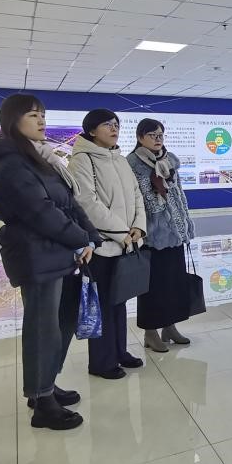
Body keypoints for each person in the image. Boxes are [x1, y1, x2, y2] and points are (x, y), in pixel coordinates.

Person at [0, 94, 98, 430]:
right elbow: (41, 212)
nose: (41, 120)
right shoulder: (10, 165)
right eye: (33, 115)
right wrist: (79, 239)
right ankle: (42, 402)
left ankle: (46, 384)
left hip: (60, 251)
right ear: (12, 120)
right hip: (35, 254)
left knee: (62, 321)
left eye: (42, 114)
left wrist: (89, 237)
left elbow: (70, 204)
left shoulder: (41, 158)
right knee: (43, 327)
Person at [69, 109, 147, 378]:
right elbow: (87, 203)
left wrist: (138, 227)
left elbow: (136, 195)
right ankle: (102, 362)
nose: (114, 129)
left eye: (116, 124)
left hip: (125, 242)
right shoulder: (82, 160)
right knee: (102, 305)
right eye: (107, 125)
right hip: (102, 246)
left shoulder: (119, 158)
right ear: (91, 130)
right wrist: (121, 232)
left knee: (119, 301)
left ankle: (119, 351)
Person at [127, 118, 195, 352]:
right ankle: (150, 332)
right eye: (152, 135)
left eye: (160, 135)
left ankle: (169, 326)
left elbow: (179, 194)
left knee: (173, 282)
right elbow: (137, 200)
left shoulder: (169, 160)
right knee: (153, 286)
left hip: (175, 232)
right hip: (151, 235)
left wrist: (184, 223)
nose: (158, 139)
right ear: (140, 137)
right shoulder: (133, 164)